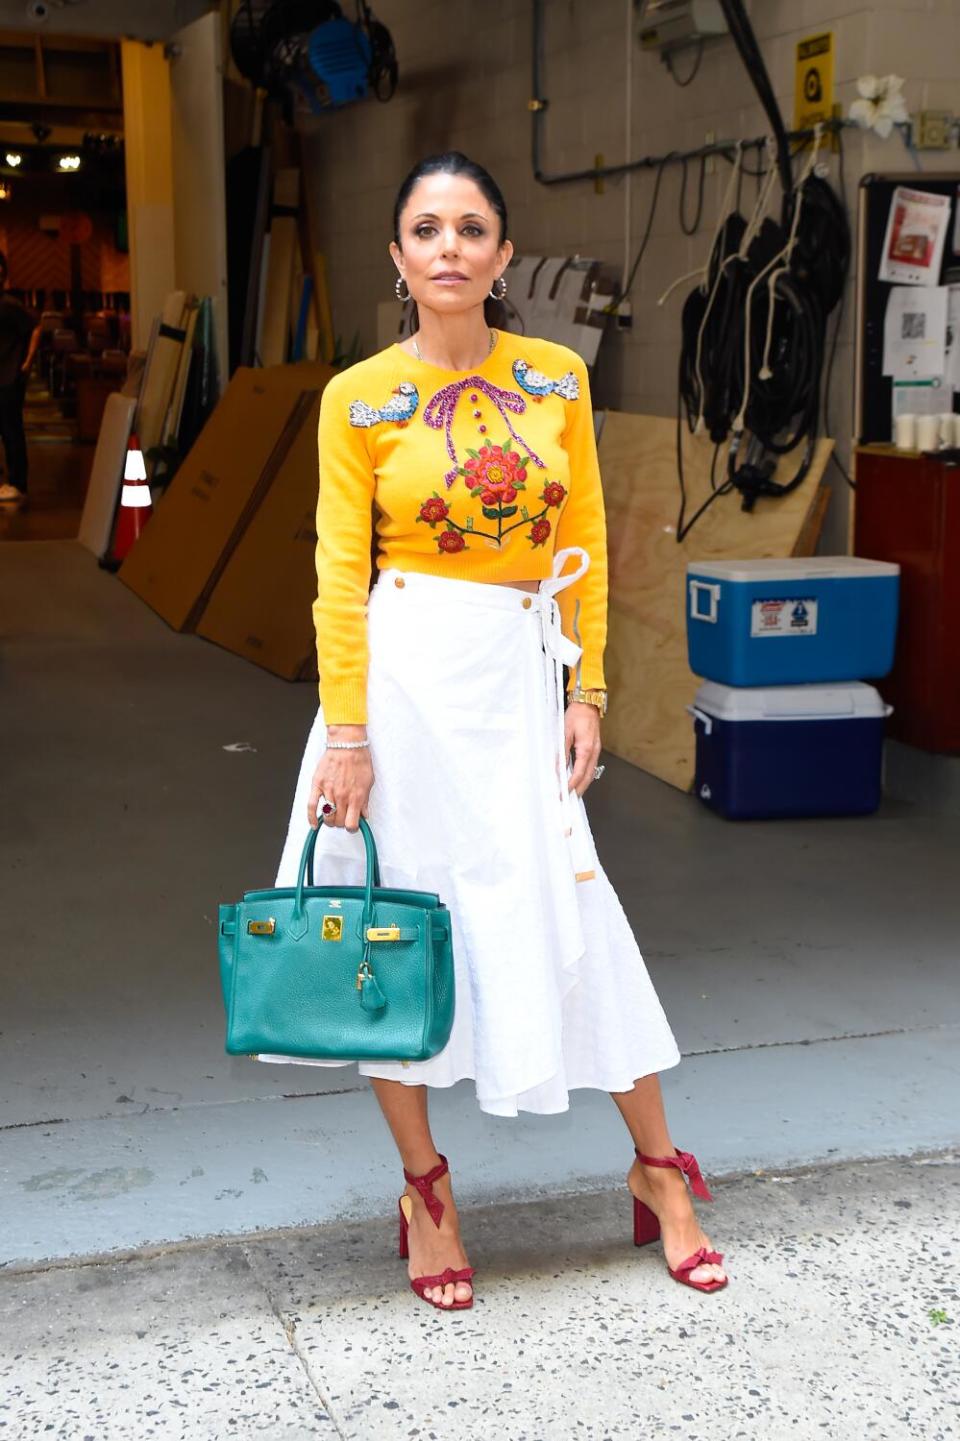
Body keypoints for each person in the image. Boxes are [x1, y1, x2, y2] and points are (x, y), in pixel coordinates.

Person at [266, 152, 728, 1310]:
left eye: (473, 227)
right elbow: (336, 574)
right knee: (393, 926)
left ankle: (661, 1168)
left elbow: (585, 545)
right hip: (400, 683)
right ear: (399, 257)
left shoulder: (558, 380)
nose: (451, 247)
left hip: (524, 674)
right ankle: (426, 1188)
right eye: (427, 228)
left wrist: (591, 695)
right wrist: (350, 732)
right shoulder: (356, 398)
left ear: (504, 253)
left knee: (573, 908)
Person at [0, 251, 40, 505]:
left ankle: (17, 484)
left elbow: (35, 326)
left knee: (11, 431)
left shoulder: (9, 304)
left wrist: (27, 362)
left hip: (8, 377)